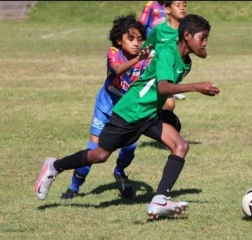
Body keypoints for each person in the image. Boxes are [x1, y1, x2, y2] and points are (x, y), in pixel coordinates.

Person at [34, 14, 220, 219]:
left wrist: (199, 46)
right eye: (202, 38)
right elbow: (163, 86)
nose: (205, 43)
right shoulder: (168, 52)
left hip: (149, 114)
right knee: (99, 155)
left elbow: (193, 59)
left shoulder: (186, 62)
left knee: (181, 146)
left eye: (206, 39)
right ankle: (54, 166)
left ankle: (159, 200)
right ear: (186, 35)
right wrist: (197, 86)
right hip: (131, 111)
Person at [60, 13, 152, 200]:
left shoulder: (146, 61)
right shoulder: (113, 52)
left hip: (127, 111)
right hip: (105, 105)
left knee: (130, 147)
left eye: (140, 40)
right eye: (131, 38)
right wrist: (138, 59)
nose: (136, 43)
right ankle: (74, 187)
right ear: (119, 40)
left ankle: (119, 172)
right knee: (93, 146)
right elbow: (118, 70)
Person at [142, 1, 188, 110]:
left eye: (184, 5)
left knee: (168, 105)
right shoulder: (159, 30)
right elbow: (145, 49)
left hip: (170, 76)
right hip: (155, 75)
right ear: (167, 10)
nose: (182, 8)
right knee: (168, 104)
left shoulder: (186, 33)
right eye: (178, 5)